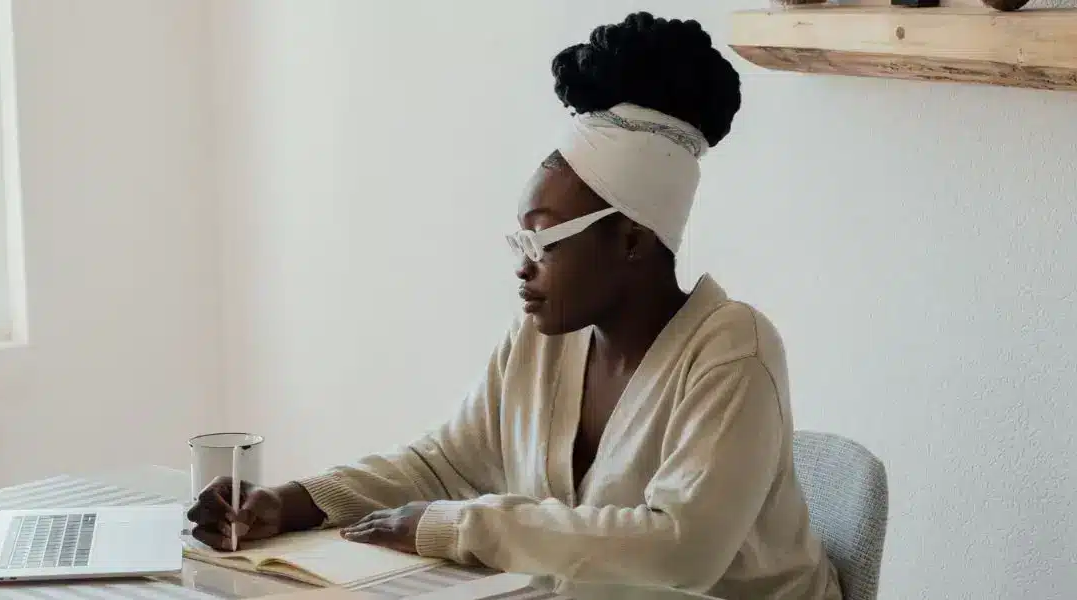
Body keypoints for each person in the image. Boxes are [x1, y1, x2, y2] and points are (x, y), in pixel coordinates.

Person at [188, 12, 841, 600]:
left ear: (634, 240)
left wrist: (453, 527)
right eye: (520, 237)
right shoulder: (544, 340)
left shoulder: (734, 353)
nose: (523, 263)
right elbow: (440, 465)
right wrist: (292, 503)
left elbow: (681, 551)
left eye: (544, 238)